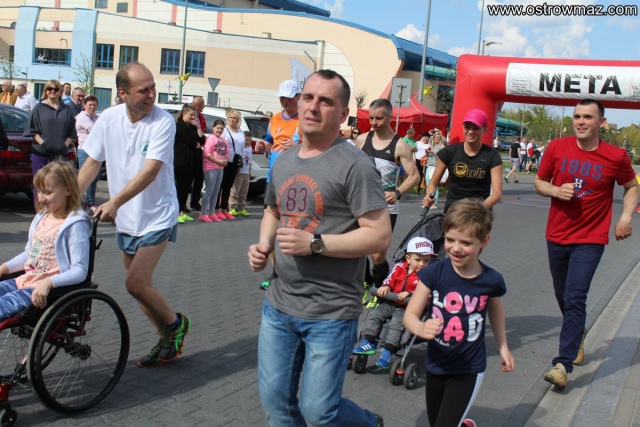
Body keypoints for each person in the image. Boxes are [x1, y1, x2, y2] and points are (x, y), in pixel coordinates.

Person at [248, 69, 390, 427]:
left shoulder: (356, 166)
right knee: (277, 406)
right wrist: (263, 244)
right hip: (280, 305)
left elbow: (379, 236)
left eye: (325, 101)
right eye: (308, 97)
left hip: (331, 310)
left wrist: (315, 244)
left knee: (319, 412)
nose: (312, 107)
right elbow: (272, 210)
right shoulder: (285, 160)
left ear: (342, 114)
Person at [77, 62, 191, 368]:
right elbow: (92, 163)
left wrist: (114, 201)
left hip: (157, 215)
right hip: (127, 219)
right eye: (143, 90)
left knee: (135, 283)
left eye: (153, 87)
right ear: (123, 93)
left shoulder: (163, 121)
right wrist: (69, 200)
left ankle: (176, 324)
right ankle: (165, 339)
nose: (151, 94)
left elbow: (150, 171)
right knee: (141, 289)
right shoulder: (109, 119)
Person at [534, 99, 638, 389]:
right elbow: (540, 182)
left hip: (591, 238)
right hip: (556, 235)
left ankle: (562, 365)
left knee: (576, 296)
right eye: (577, 116)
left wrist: (625, 217)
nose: (581, 121)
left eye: (588, 117)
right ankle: (577, 331)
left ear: (601, 123)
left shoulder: (615, 156)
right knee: (563, 296)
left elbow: (631, 186)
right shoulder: (557, 148)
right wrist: (555, 190)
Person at [404, 198, 515, 427]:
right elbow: (410, 315)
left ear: (484, 241)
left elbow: (495, 307)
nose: (456, 248)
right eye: (450, 239)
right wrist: (420, 327)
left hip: (468, 369)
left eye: (465, 242)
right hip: (435, 364)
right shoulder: (434, 272)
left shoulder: (491, 280)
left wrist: (502, 345)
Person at [0, 161, 91, 319]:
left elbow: (80, 271)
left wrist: (49, 282)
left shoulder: (75, 224)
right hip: (25, 280)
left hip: (46, 290)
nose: (41, 198)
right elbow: (30, 254)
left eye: (47, 192)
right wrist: (5, 267)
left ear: (68, 190)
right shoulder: (41, 218)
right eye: (39, 191)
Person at [354, 98, 419, 289]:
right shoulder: (361, 140)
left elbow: (414, 176)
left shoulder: (400, 145)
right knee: (357, 248)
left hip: (385, 207)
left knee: (377, 255)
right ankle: (366, 283)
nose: (374, 123)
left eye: (379, 118)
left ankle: (381, 290)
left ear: (390, 118)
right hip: (361, 203)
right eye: (371, 118)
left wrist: (397, 193)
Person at [353, 236, 435, 369]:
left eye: (426, 260)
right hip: (390, 302)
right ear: (408, 258)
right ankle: (368, 341)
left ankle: (388, 351)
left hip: (408, 308)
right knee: (375, 314)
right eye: (418, 260)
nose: (422, 264)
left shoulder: (429, 275)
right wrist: (385, 287)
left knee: (397, 323)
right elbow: (389, 280)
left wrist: (411, 294)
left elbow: (429, 294)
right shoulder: (399, 268)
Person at [254, 80, 301, 290]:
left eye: (289, 98)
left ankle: (294, 273)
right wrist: (262, 145)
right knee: (270, 226)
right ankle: (275, 272)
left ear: (298, 96)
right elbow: (270, 142)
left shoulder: (305, 118)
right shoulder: (274, 118)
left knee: (291, 228)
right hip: (273, 178)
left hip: (296, 180)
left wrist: (297, 145)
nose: (285, 101)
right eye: (282, 98)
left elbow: (316, 147)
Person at [422, 109, 503, 213]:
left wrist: (477, 209)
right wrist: (429, 196)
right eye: (467, 127)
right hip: (453, 213)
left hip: (479, 214)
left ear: (485, 129)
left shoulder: (492, 155)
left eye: (476, 128)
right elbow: (433, 182)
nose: (470, 131)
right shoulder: (450, 151)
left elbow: (497, 194)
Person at [24, 79, 76, 202]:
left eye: (56, 89)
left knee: (59, 185)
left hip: (60, 154)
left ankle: (56, 212)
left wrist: (63, 145)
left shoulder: (66, 109)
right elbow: (32, 130)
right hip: (41, 152)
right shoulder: (38, 107)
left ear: (60, 92)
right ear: (46, 91)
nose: (52, 91)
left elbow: (72, 132)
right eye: (49, 88)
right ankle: (40, 212)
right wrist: (44, 144)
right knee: (40, 184)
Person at [173, 104, 205, 223]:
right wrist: (196, 143)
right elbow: (190, 142)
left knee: (186, 188)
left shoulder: (191, 126)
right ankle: (177, 212)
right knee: (180, 187)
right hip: (182, 161)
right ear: (184, 113)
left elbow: (202, 140)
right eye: (191, 115)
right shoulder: (180, 125)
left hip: (191, 162)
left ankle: (181, 210)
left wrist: (198, 127)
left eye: (194, 115)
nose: (193, 117)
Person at [215, 109, 244, 220]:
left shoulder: (241, 132)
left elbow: (241, 148)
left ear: (238, 120)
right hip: (224, 161)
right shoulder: (225, 130)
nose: (232, 120)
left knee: (228, 186)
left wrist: (240, 164)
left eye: (234, 118)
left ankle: (224, 208)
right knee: (220, 185)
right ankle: (216, 209)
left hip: (235, 162)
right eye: (231, 117)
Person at [200, 119, 229, 222]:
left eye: (221, 129)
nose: (219, 130)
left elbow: (227, 153)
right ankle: (203, 213)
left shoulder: (224, 140)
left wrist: (225, 161)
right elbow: (206, 153)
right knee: (209, 191)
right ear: (213, 128)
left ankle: (212, 213)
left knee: (216, 191)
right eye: (218, 128)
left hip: (220, 168)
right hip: (210, 167)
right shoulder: (211, 138)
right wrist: (218, 161)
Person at [76, 95, 101, 213]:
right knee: (86, 178)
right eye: (90, 104)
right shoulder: (82, 117)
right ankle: (89, 203)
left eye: (94, 105)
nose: (92, 107)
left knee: (95, 177)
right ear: (84, 105)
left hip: (95, 150)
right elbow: (94, 130)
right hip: (85, 150)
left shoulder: (96, 117)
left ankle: (88, 201)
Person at [229, 130, 253, 217]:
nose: (248, 142)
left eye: (249, 140)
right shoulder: (240, 148)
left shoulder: (250, 148)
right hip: (239, 173)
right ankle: (232, 208)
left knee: (244, 192)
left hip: (246, 173)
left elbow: (250, 161)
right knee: (235, 191)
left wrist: (250, 172)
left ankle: (241, 208)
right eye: (246, 140)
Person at [189, 96, 206, 211]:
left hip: (200, 150)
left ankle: (195, 201)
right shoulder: (190, 116)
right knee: (188, 178)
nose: (204, 106)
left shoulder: (200, 117)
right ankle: (182, 205)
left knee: (199, 177)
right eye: (203, 103)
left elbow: (202, 134)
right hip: (190, 150)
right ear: (198, 104)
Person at [425, 130, 445, 207]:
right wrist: (427, 152)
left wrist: (433, 152)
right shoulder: (431, 145)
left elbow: (441, 157)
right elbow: (427, 156)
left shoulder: (442, 146)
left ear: (440, 138)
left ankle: (434, 203)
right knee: (428, 184)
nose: (436, 139)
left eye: (438, 137)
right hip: (429, 166)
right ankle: (428, 201)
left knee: (434, 184)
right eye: (435, 137)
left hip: (436, 167)